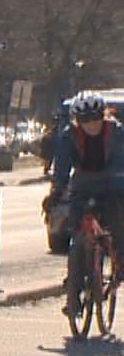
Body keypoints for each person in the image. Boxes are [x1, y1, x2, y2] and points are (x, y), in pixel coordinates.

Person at [48, 96, 124, 314]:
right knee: (76, 237)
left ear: (103, 117)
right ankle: (74, 289)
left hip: (111, 183)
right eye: (85, 120)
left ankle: (120, 266)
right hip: (82, 184)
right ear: (77, 121)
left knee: (117, 225)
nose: (91, 124)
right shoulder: (68, 136)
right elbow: (61, 169)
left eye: (95, 118)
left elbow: (121, 162)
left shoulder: (116, 133)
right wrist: (56, 192)